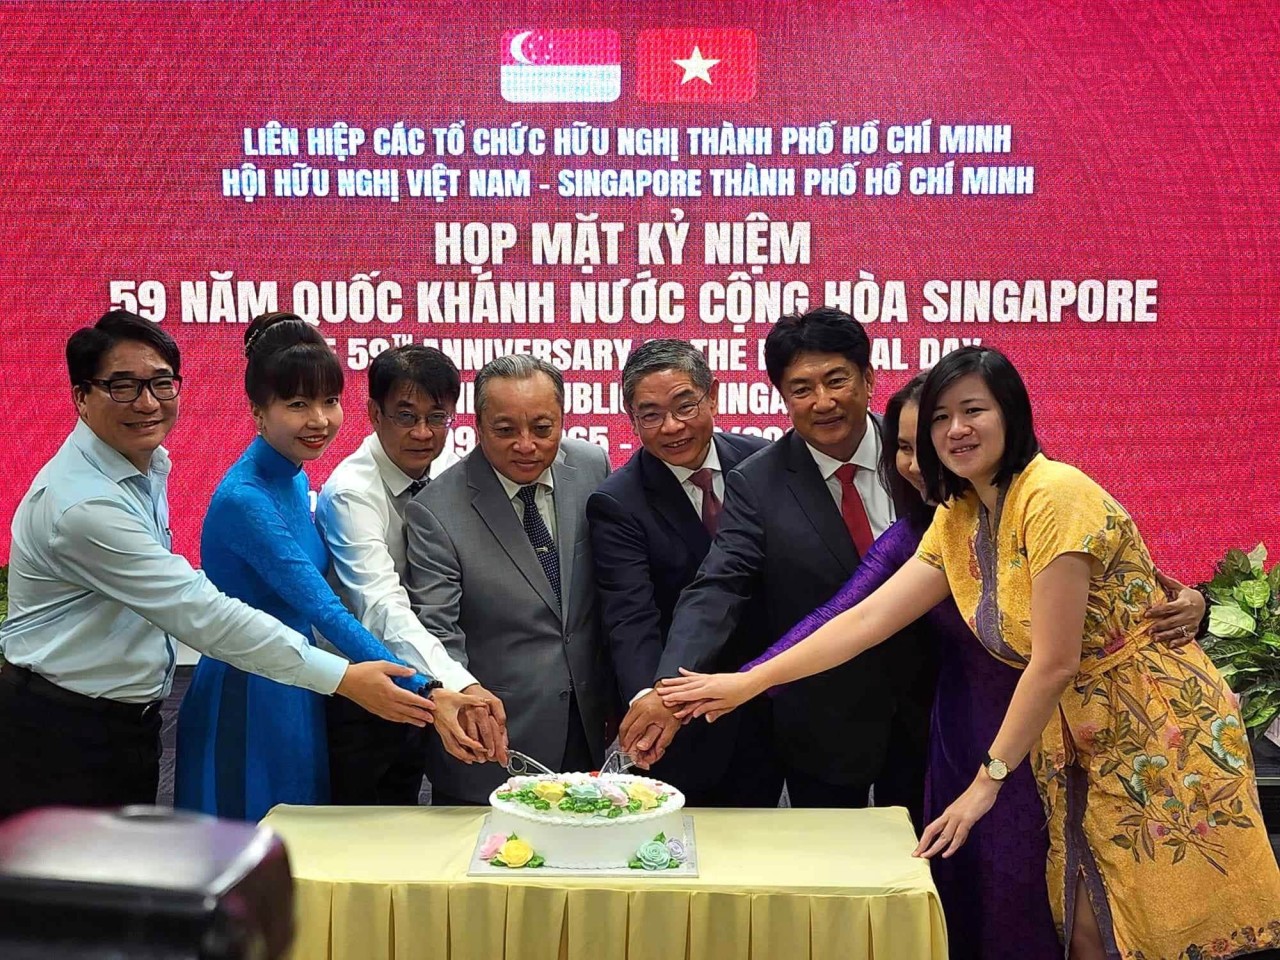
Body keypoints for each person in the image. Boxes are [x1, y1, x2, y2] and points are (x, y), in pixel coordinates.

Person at [661, 347, 1280, 959]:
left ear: (1010, 413)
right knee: (1088, 923)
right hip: (1070, 736)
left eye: (972, 411)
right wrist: (750, 682)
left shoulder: (1055, 494)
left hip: (1151, 730)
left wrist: (987, 782)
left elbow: (1055, 660)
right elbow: (869, 616)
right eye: (938, 419)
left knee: (1154, 925)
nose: (954, 431)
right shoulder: (962, 509)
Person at [0, 310, 430, 819]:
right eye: (123, 386)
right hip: (81, 721)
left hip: (174, 709)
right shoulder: (84, 506)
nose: (147, 402)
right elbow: (209, 613)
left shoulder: (151, 467)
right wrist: (394, 683)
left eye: (161, 383)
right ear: (81, 396)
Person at [175, 314, 485, 821]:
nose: (318, 419)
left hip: (302, 682)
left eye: (328, 401)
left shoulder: (294, 477)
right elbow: (327, 608)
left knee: (312, 845)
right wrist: (427, 687)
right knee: (255, 851)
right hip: (252, 689)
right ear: (258, 411)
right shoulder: (247, 498)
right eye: (298, 404)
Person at [627, 308, 935, 818]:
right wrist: (669, 689)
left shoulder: (921, 456)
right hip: (823, 722)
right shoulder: (758, 483)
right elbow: (717, 588)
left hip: (935, 706)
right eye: (801, 388)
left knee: (941, 868)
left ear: (869, 377)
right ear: (782, 396)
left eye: (837, 380)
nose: (823, 401)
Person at [405, 354, 613, 804]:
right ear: (478, 426)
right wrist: (465, 698)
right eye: (505, 430)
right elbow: (436, 631)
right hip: (495, 743)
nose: (526, 445)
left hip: (590, 728)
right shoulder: (435, 511)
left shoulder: (592, 466)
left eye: (543, 428)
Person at [586, 339, 782, 806]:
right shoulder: (618, 501)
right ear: (631, 418)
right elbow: (631, 618)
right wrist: (656, 703)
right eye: (650, 414)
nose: (671, 427)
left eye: (685, 405)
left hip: (776, 698)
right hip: (684, 718)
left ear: (712, 396)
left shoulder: (766, 464)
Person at [316, 345, 509, 805]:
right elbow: (381, 605)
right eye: (406, 416)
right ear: (373, 413)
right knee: (367, 822)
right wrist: (454, 681)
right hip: (368, 686)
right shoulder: (351, 493)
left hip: (431, 672)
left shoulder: (446, 470)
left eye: (437, 417)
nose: (423, 433)